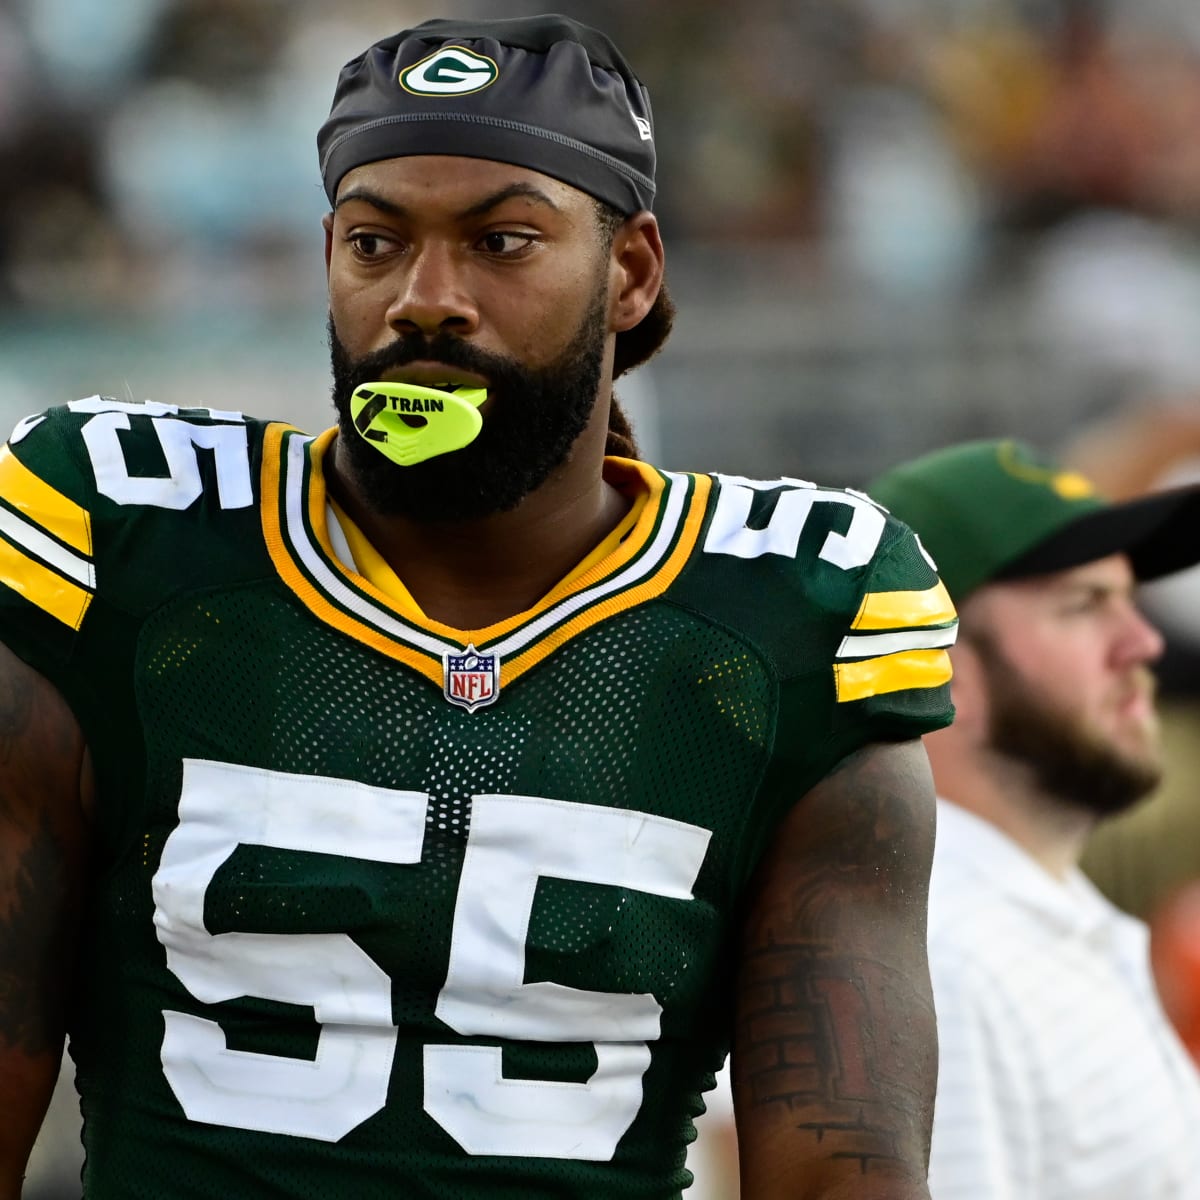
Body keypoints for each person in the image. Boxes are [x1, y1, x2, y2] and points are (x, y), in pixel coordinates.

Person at [0, 15, 958, 1199]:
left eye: (502, 241)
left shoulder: (782, 622)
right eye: (374, 241)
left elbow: (842, 1175)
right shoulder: (132, 539)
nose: (425, 298)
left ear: (632, 272)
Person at [867, 438, 1200, 1200]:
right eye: (1085, 605)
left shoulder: (1025, 923)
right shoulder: (945, 965)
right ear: (933, 659)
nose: (1142, 643)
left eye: (1130, 599)